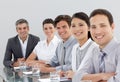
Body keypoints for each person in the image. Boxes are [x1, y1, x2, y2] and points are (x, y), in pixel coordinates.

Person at [73, 9, 120, 82]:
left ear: (112, 27)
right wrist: (101, 76)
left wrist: (90, 79)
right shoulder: (94, 50)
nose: (97, 31)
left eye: (102, 26)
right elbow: (77, 77)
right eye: (93, 27)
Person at [65, 12, 98, 79]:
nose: (77, 29)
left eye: (81, 25)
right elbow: (76, 71)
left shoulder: (95, 48)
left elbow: (99, 74)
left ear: (89, 27)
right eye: (73, 26)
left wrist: (75, 75)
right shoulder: (74, 48)